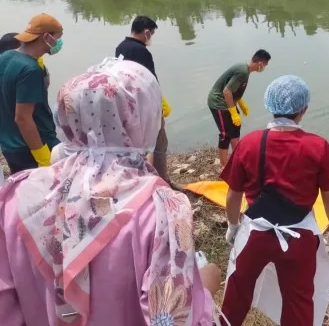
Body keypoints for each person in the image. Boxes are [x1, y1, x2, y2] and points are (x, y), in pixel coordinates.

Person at [0, 59, 222, 325]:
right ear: (145, 120)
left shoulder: (15, 195)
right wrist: (206, 286)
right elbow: (176, 319)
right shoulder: (165, 211)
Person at [221, 75, 329, 326]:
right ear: (304, 109)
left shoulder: (250, 143)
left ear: (270, 106)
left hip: (256, 233)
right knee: (298, 302)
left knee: (237, 292)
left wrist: (233, 226)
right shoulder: (318, 147)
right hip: (299, 239)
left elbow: (234, 194)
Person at [115, 15, 174, 186]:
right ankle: (162, 181)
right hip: (146, 104)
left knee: (140, 144)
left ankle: (144, 179)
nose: (151, 38)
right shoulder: (142, 51)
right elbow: (149, 81)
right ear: (146, 32)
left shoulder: (121, 47)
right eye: (152, 34)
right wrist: (160, 103)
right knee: (160, 141)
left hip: (128, 104)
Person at [0, 14, 62, 174]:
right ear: (46, 37)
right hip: (33, 145)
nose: (58, 43)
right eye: (57, 38)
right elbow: (23, 118)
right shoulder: (30, 70)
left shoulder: (6, 57)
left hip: (9, 144)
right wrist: (42, 158)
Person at [207, 49, 271, 167]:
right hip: (219, 103)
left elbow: (233, 89)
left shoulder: (245, 70)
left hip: (228, 102)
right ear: (260, 64)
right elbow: (227, 91)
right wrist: (233, 112)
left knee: (235, 129)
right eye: (265, 65)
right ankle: (224, 164)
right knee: (225, 134)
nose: (263, 69)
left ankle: (238, 160)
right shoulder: (242, 72)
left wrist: (241, 104)